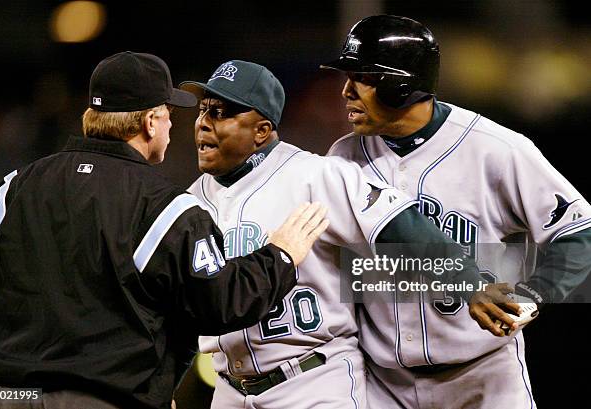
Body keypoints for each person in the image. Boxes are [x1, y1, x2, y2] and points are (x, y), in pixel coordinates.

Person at [0, 51, 330, 409]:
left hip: (3, 395)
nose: (175, 126)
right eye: (168, 115)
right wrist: (280, 255)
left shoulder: (13, 188)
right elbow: (222, 303)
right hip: (99, 398)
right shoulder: (162, 205)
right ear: (149, 121)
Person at [179, 60, 511, 409]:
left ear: (262, 130)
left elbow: (398, 226)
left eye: (219, 112)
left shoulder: (316, 176)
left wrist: (468, 280)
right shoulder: (190, 202)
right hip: (229, 390)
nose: (202, 124)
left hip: (311, 382)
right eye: (203, 111)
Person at [321, 15, 591, 409]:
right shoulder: (342, 156)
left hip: (484, 376)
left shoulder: (494, 148)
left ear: (400, 85)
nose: (346, 91)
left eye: (361, 77)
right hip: (383, 382)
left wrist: (536, 293)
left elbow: (580, 231)